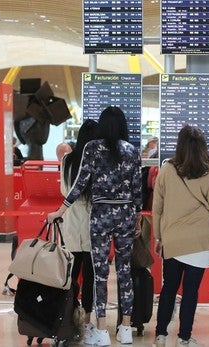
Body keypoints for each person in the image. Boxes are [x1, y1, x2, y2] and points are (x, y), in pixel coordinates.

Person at [46, 106, 142, 346]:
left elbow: (80, 184)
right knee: (124, 272)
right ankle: (126, 328)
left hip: (100, 214)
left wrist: (60, 210)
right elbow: (137, 190)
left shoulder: (92, 148)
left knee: (99, 273)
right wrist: (137, 217)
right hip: (126, 214)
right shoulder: (132, 151)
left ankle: (101, 330)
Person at [152, 125, 209, 347]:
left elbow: (157, 206)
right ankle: (184, 337)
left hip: (173, 238)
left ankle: (161, 335)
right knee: (191, 292)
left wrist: (158, 236)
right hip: (201, 241)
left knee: (169, 288)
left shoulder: (167, 169)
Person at [59, 120, 98, 341]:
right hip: (93, 226)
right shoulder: (97, 160)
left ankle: (68, 317)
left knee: (71, 276)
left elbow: (64, 190)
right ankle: (88, 321)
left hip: (71, 224)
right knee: (92, 276)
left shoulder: (67, 160)